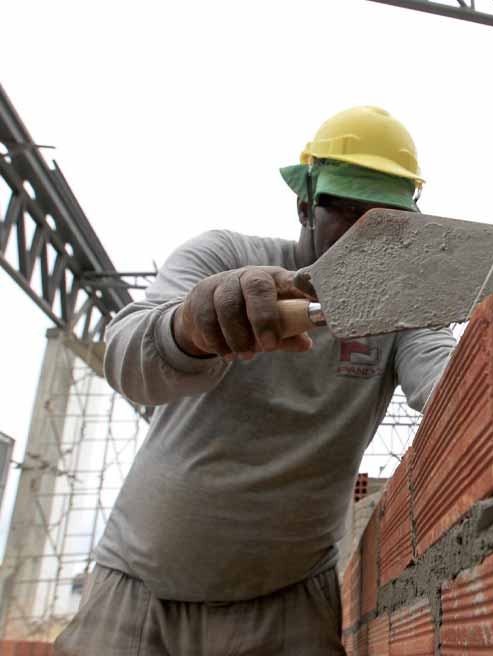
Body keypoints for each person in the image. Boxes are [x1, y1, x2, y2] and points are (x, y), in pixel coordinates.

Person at [55, 107, 456, 655]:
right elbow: (130, 363)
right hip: (138, 591)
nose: (369, 237)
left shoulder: (402, 305)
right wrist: (191, 326)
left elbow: (446, 379)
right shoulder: (224, 257)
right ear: (304, 205)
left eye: (389, 221)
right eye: (349, 212)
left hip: (288, 605)